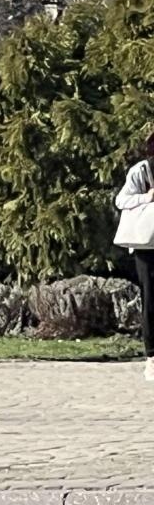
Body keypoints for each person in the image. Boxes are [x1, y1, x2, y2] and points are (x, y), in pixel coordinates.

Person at [114, 135, 154, 380]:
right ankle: (152, 356)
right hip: (148, 246)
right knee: (151, 299)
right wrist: (146, 198)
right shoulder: (143, 170)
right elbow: (121, 200)